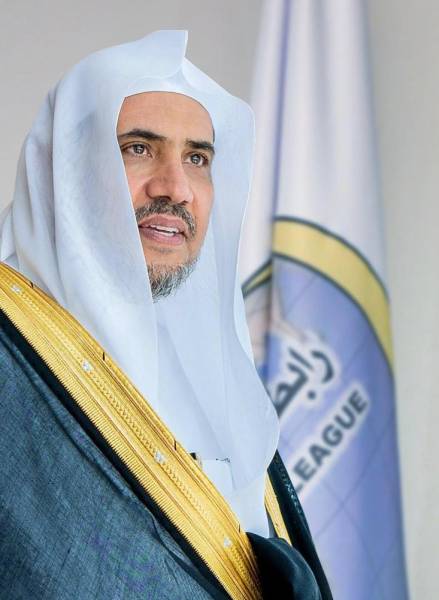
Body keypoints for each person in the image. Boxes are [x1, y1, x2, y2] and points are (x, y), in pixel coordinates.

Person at [0, 30, 332, 599]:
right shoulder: (11, 355)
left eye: (197, 158)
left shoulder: (215, 381)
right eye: (138, 148)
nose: (175, 188)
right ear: (67, 170)